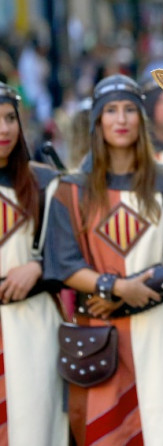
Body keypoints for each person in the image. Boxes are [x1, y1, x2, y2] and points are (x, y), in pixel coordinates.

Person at [43, 75, 163, 444]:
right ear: (97, 121)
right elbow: (64, 263)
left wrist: (127, 291)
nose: (121, 119)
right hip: (99, 334)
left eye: (130, 110)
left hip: (162, 327)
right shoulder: (71, 190)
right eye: (111, 111)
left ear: (141, 120)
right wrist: (114, 286)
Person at [0, 82, 68, 445]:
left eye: (10, 118)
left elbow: (72, 253)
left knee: (35, 428)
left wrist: (40, 266)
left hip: (34, 326)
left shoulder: (45, 182)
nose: (4, 129)